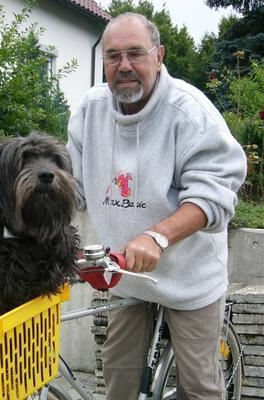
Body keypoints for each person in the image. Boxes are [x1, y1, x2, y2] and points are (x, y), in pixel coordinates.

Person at [67, 12, 247, 400]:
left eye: (135, 53)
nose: (124, 66)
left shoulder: (189, 112)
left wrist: (158, 236)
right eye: (113, 56)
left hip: (189, 277)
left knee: (199, 386)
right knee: (118, 380)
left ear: (159, 56)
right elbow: (70, 188)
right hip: (127, 273)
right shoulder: (89, 112)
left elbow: (214, 194)